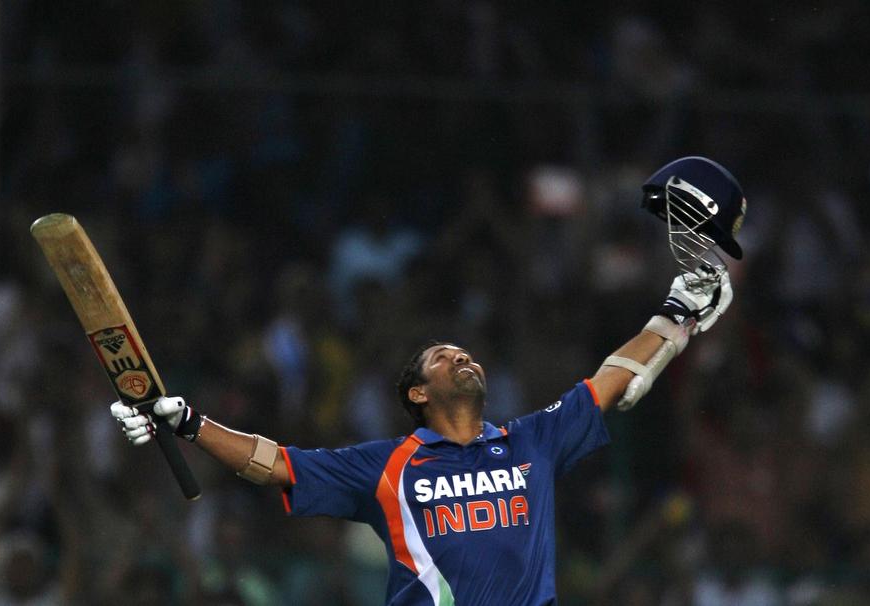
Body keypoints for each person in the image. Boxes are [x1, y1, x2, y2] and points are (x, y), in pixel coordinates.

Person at [111, 157, 746, 605]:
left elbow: (612, 380)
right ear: (417, 393)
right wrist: (188, 422)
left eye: (465, 353)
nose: (462, 357)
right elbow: (273, 463)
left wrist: (677, 315)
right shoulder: (387, 466)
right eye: (443, 357)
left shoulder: (532, 440)